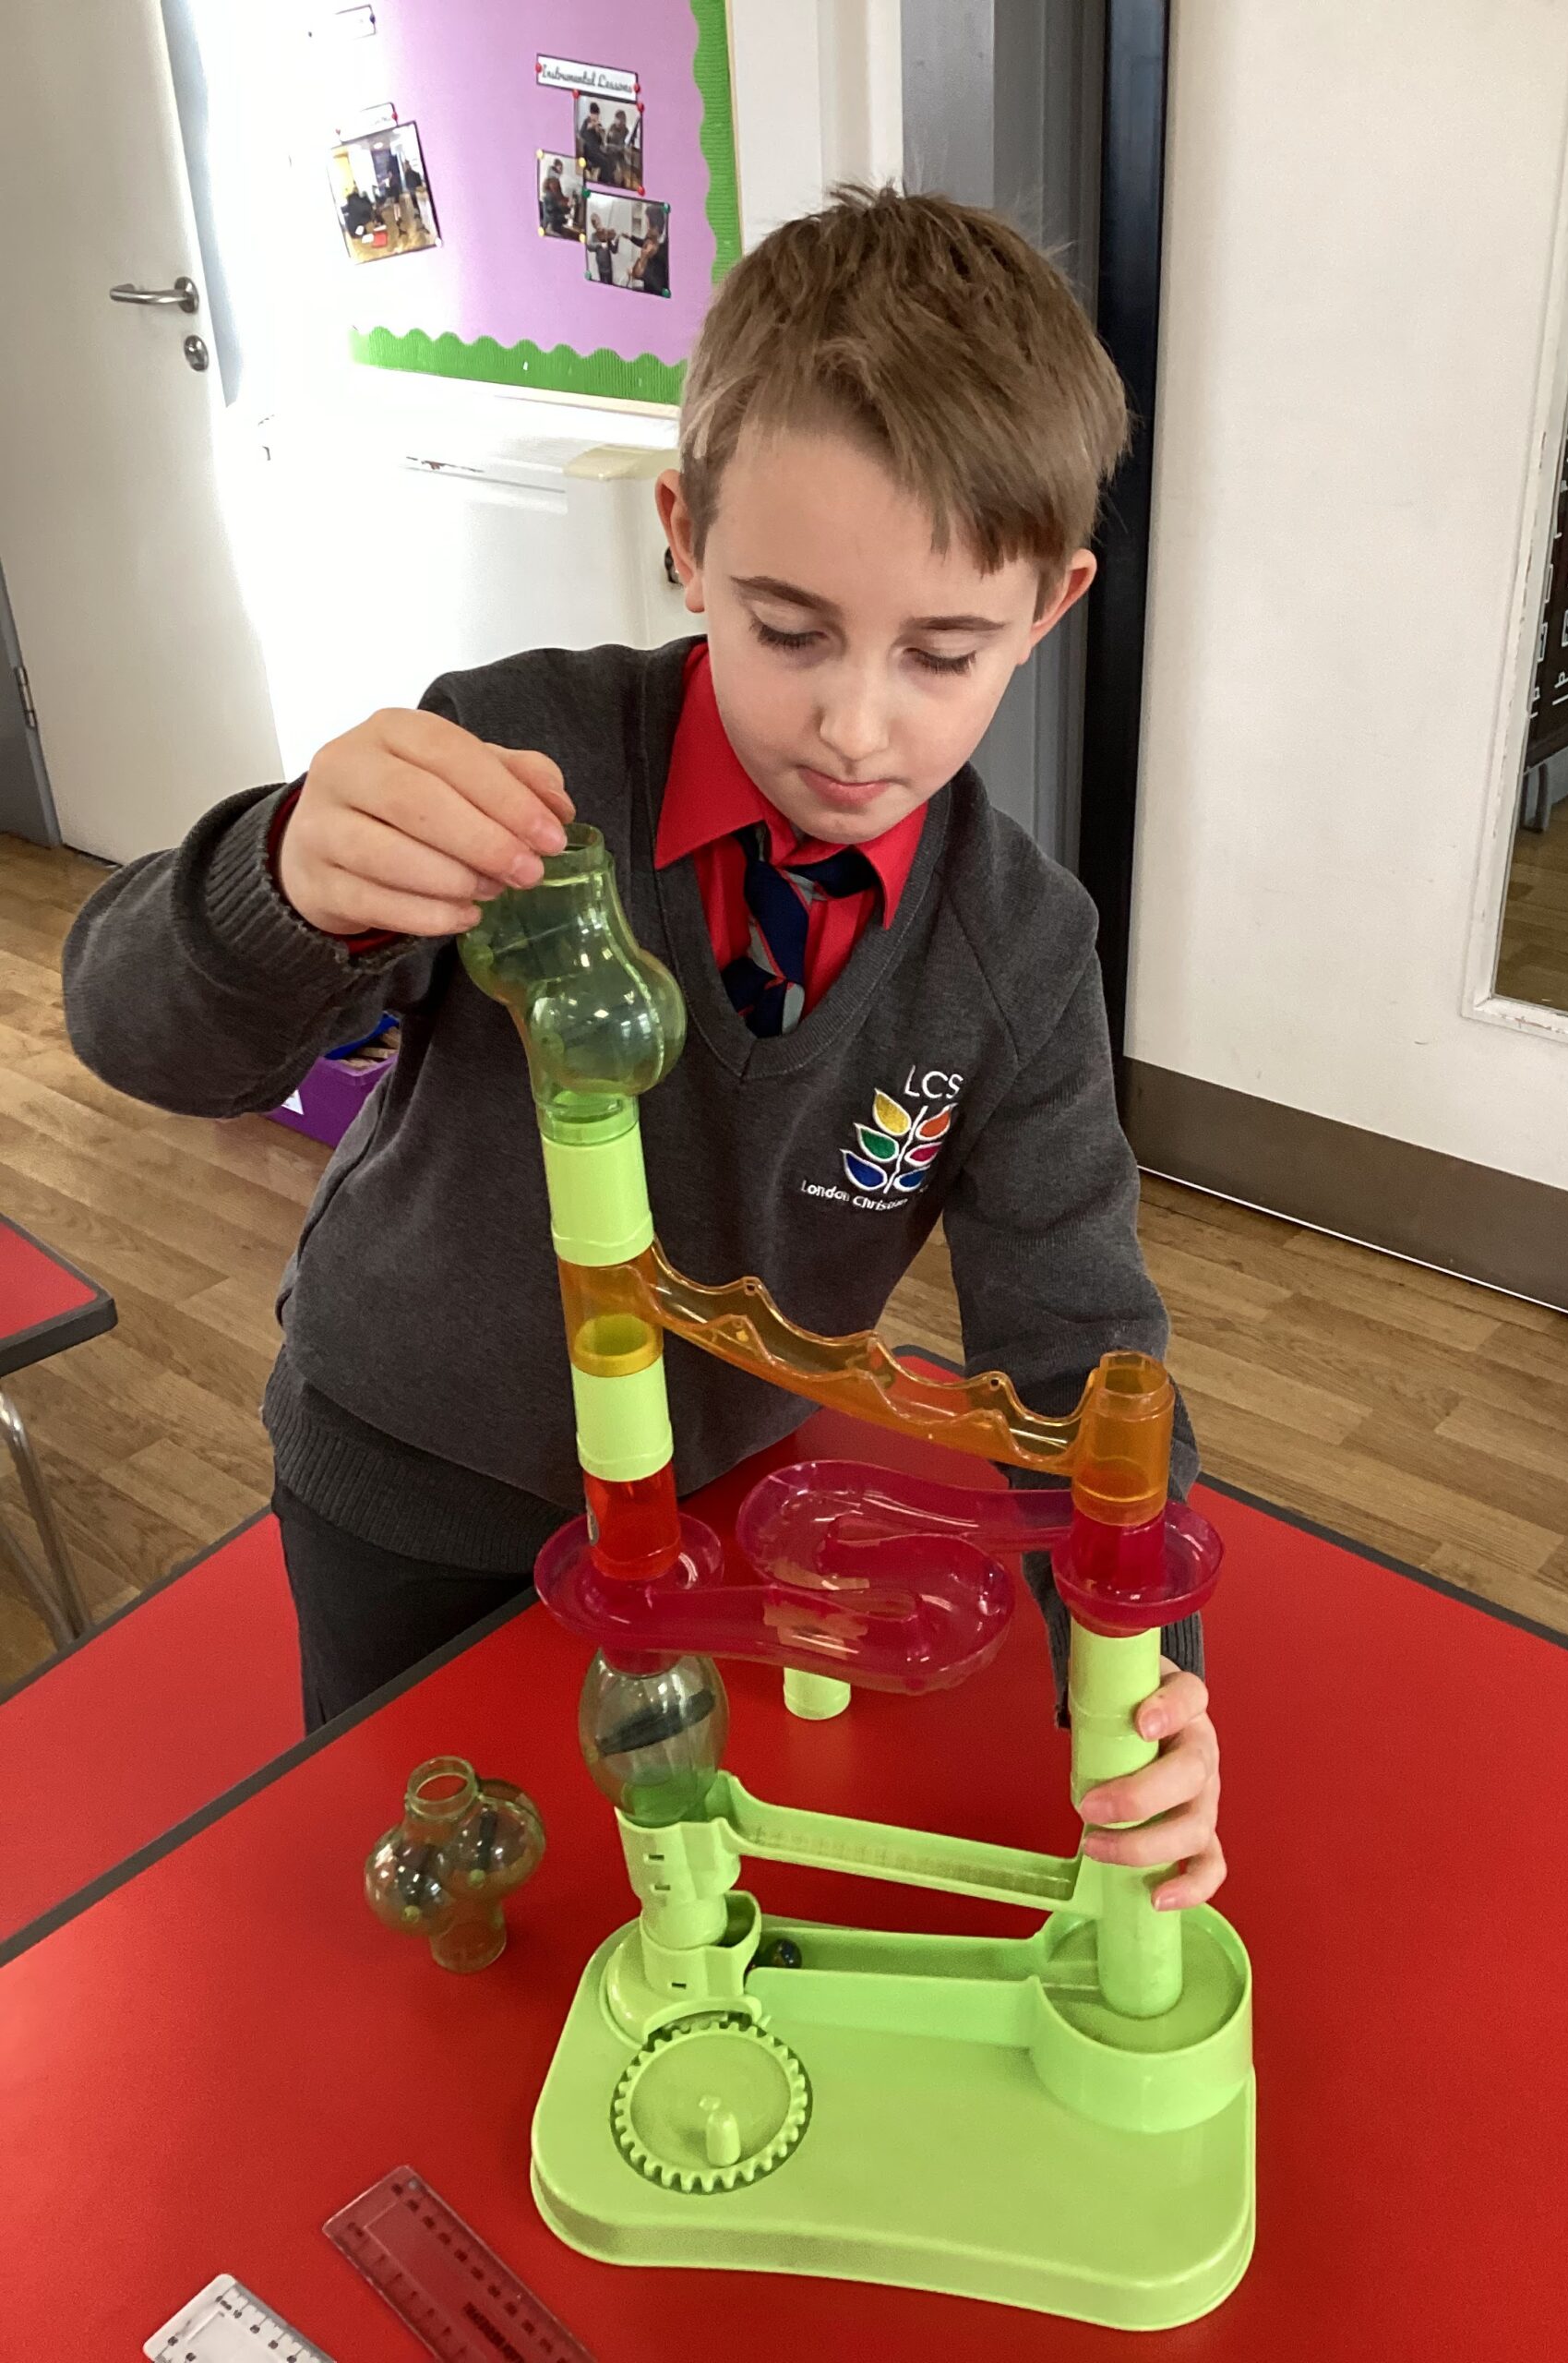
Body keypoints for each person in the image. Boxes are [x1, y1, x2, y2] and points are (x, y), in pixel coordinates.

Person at [63, 189, 1225, 1913]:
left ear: (1047, 608)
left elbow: (1078, 1346)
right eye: (788, 628)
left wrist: (1145, 1679)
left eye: (943, 653)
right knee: (445, 1885)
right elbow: (138, 1034)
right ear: (683, 537)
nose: (854, 725)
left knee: (664, 1886)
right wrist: (285, 879)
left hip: (714, 1505)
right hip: (411, 1481)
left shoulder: (1021, 948)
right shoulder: (516, 757)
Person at [577, 101, 607, 186]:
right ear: (591, 114)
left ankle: (601, 181)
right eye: (594, 114)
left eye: (597, 115)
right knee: (604, 162)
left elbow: (600, 142)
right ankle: (600, 182)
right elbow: (581, 134)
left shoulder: (598, 125)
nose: (596, 117)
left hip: (596, 150)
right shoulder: (586, 122)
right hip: (588, 150)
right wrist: (592, 125)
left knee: (607, 160)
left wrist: (599, 133)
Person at [587, 210, 617, 282]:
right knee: (602, 283)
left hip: (608, 267)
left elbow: (614, 250)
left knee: (610, 284)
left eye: (598, 223)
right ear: (593, 226)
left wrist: (616, 241)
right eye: (595, 225)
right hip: (600, 267)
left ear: (600, 221)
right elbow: (589, 247)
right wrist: (600, 244)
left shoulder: (606, 232)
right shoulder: (594, 236)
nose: (598, 226)